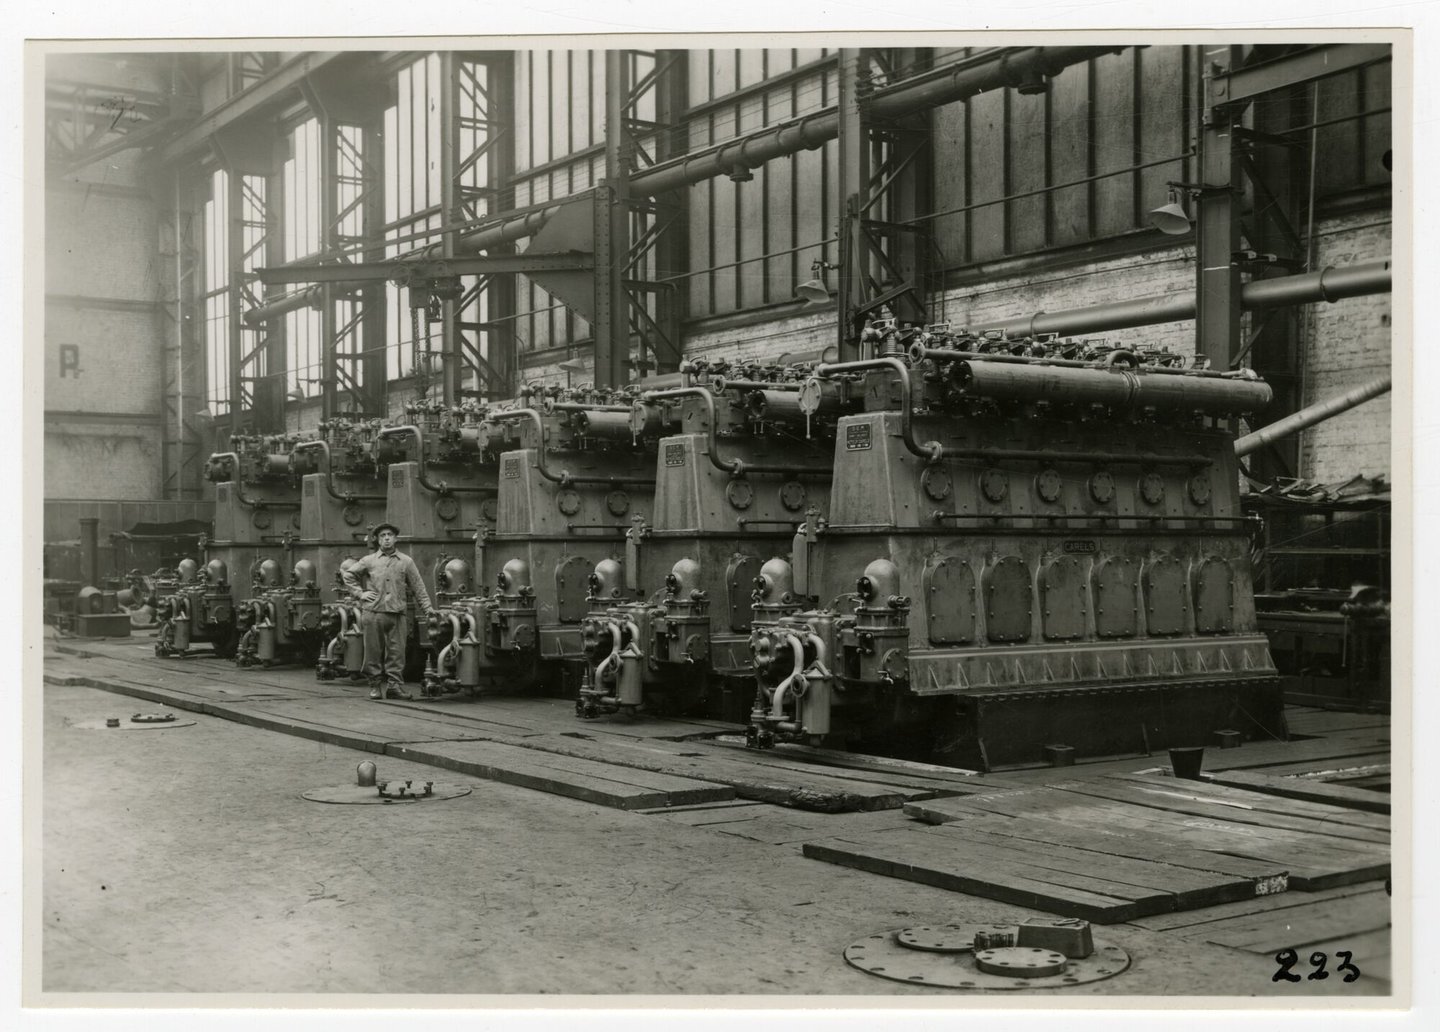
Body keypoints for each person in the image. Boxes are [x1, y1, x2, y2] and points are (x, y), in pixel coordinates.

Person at [340, 522, 434, 700]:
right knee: (373, 652)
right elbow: (348, 575)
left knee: (397, 653)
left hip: (397, 614)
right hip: (373, 613)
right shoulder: (369, 561)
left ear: (396, 538)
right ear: (377, 539)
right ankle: (374, 685)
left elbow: (418, 587)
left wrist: (428, 609)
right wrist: (360, 593)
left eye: (390, 535)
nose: (387, 538)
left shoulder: (406, 561)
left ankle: (394, 687)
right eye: (382, 535)